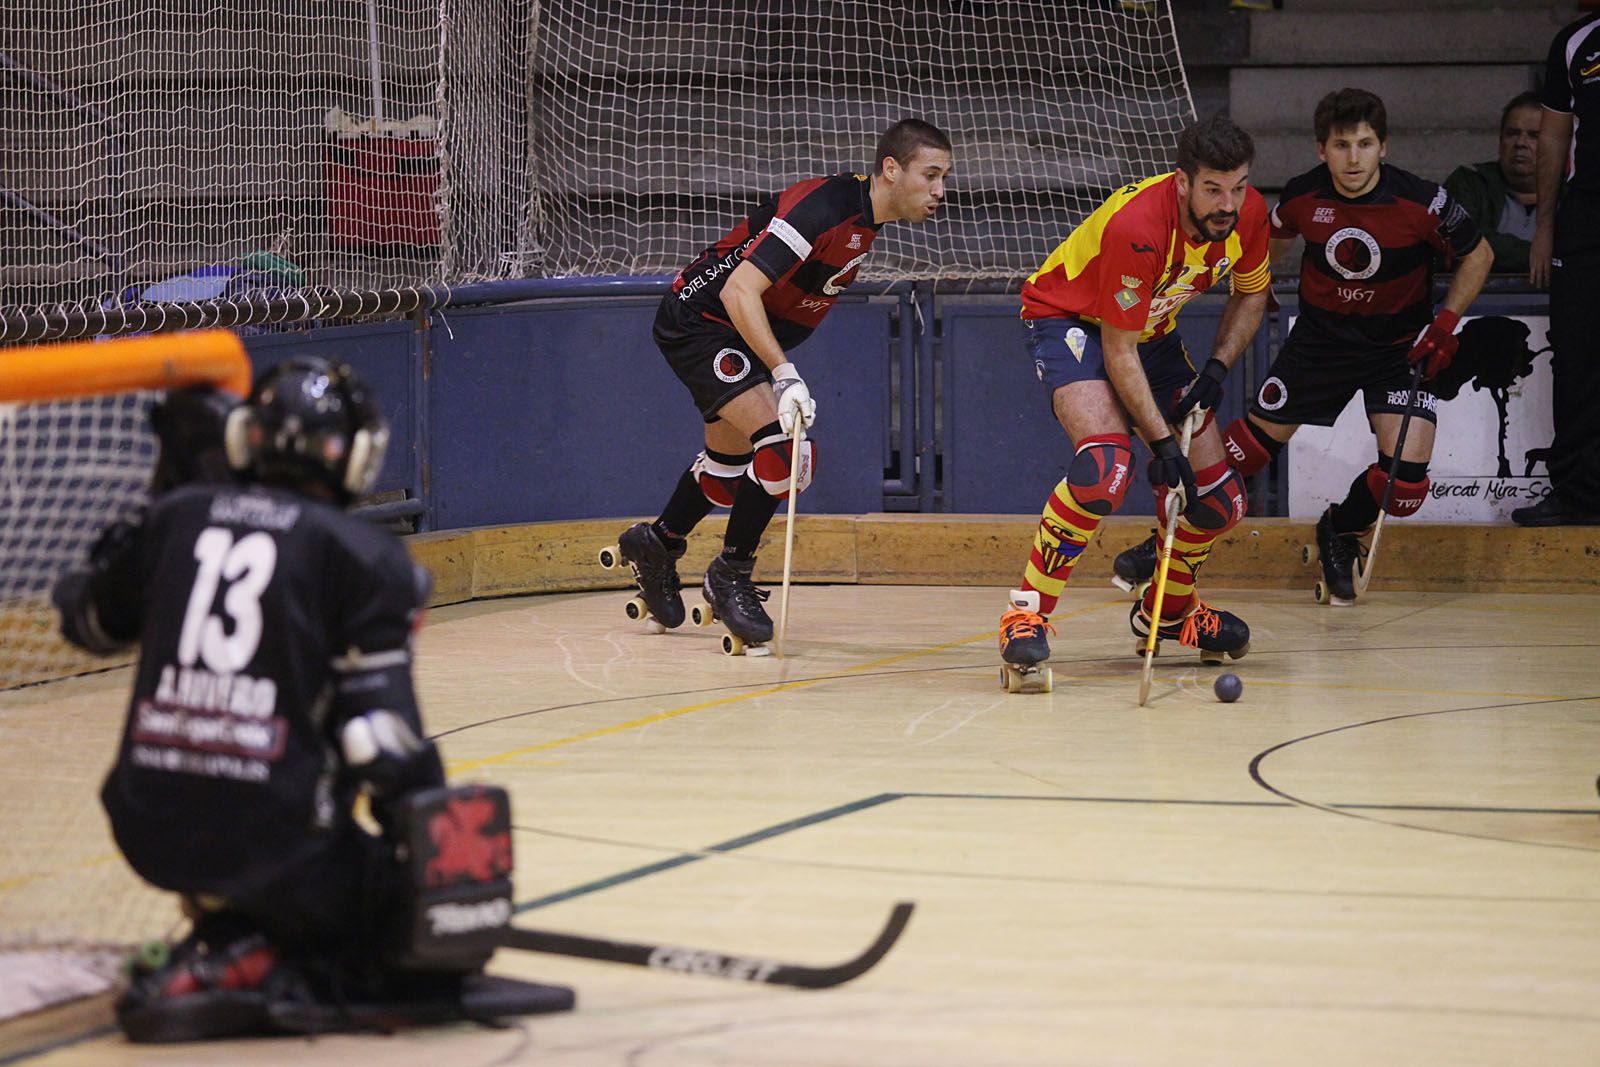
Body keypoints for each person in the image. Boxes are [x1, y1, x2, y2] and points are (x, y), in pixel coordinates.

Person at [52, 358, 565, 1041]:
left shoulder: (175, 517)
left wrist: (153, 514)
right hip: (276, 842)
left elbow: (86, 621)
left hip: (143, 823)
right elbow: (379, 738)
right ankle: (262, 960)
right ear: (353, 456)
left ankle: (235, 925)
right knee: (418, 925)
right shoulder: (364, 558)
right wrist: (419, 872)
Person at [613, 119, 953, 648]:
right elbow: (738, 291)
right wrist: (784, 372)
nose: (940, 191)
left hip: (735, 333)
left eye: (944, 178)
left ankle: (656, 543)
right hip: (704, 322)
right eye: (930, 175)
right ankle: (730, 575)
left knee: (727, 475)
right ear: (891, 169)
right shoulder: (823, 207)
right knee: (785, 449)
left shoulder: (867, 220)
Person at [1188, 88, 1493, 605]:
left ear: (1384, 146)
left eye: (1365, 144)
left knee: (1405, 486)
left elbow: (1479, 254)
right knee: (1240, 457)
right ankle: (1167, 549)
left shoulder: (1422, 200)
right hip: (1319, 345)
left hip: (1397, 351)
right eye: (1341, 145)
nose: (1354, 158)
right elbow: (1267, 244)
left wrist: (1443, 325)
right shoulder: (1302, 197)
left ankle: (1340, 528)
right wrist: (1258, 284)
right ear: (1320, 150)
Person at [998, 113, 1271, 681]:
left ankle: (1167, 615)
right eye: (1213, 189)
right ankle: (1025, 615)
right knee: (1105, 469)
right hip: (1070, 319)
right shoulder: (1139, 226)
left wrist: (1217, 369)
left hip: (1150, 328)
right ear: (1181, 183)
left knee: (1219, 502)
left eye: (1239, 187)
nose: (1229, 203)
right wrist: (1162, 446)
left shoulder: (1249, 214)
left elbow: (1252, 294)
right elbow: (1118, 353)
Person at [1514, 10, 1600, 526]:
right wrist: (1544, 227)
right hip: (1587, 216)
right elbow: (1553, 137)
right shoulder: (1576, 41)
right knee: (1576, 359)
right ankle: (1576, 493)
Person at [1443, 91, 1542, 276]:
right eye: (1512, 133)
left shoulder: (1575, 195)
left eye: (1534, 135)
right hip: (1479, 302)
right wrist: (1546, 258)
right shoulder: (1468, 182)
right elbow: (1465, 241)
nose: (1520, 143)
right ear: (1500, 140)